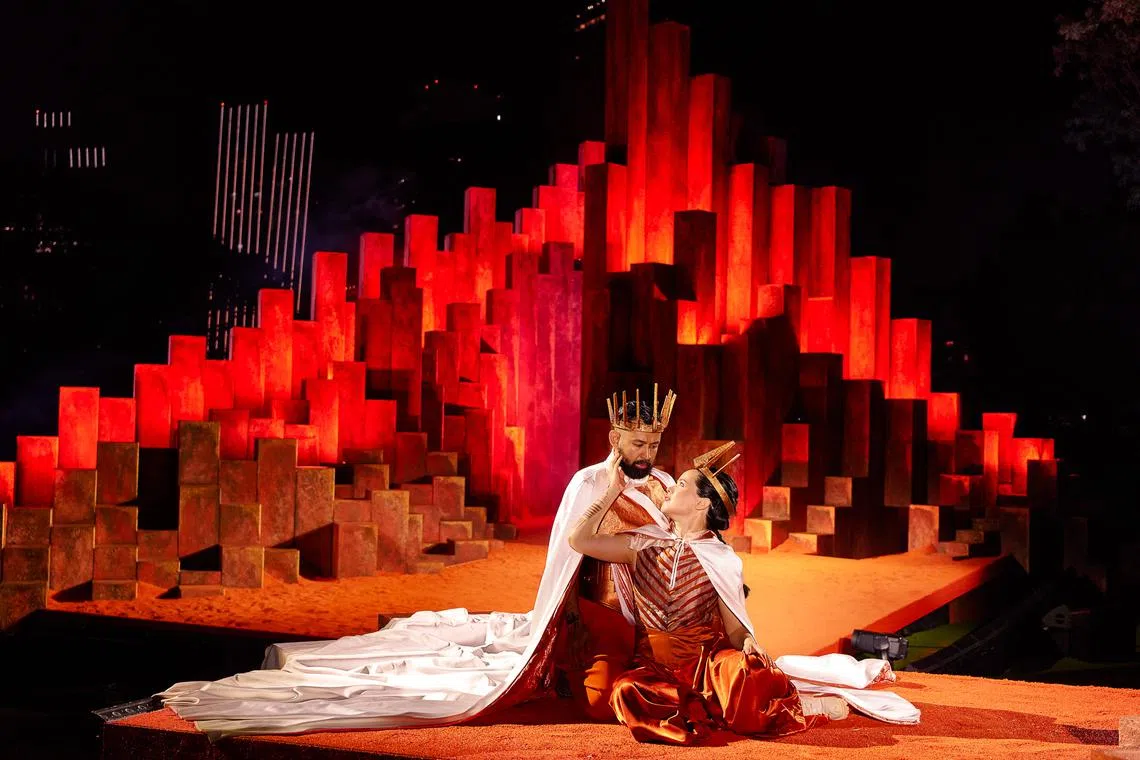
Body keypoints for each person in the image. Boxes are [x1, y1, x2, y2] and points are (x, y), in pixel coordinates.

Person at [567, 442, 849, 745]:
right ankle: (706, 709)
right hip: (652, 668)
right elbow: (579, 539)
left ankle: (799, 707)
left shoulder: (721, 558)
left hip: (705, 666)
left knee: (746, 673)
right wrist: (612, 490)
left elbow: (736, 629)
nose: (672, 487)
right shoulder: (642, 544)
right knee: (625, 691)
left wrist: (750, 643)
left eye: (683, 484)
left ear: (701, 504)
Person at [556, 385, 678, 720]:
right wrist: (574, 621)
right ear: (615, 439)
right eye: (638, 444)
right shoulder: (588, 482)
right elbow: (565, 563)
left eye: (654, 445)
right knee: (601, 705)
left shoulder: (666, 483)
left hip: (654, 612)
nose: (646, 455)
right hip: (602, 610)